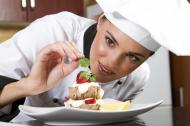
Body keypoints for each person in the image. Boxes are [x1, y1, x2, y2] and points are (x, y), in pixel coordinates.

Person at [0, 0, 189, 122]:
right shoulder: (53, 31)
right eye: (110, 41)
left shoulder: (138, 78)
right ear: (100, 22)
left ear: (146, 59)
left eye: (133, 57)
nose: (113, 62)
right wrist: (27, 87)